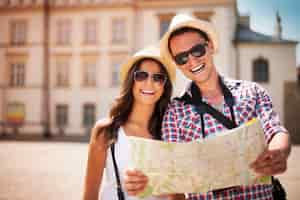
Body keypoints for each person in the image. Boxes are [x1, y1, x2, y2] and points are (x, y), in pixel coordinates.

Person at [124, 14, 291, 200]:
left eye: (197, 50)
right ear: (176, 64)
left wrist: (279, 152)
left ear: (210, 46)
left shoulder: (253, 91)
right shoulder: (174, 112)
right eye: (181, 58)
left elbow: (275, 130)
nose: (192, 61)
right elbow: (171, 175)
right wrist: (146, 180)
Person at [82, 46, 176, 200]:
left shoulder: (171, 133)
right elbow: (90, 194)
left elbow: (180, 196)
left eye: (158, 77)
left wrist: (157, 184)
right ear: (131, 81)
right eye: (141, 76)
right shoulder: (105, 130)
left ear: (164, 86)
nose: (149, 83)